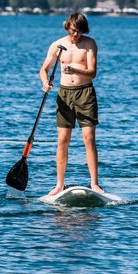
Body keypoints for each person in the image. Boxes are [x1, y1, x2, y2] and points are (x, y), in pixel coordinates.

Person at [40, 12, 102, 196]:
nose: (76, 35)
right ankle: (59, 184)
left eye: (80, 31)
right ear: (67, 27)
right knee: (62, 140)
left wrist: (74, 68)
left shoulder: (89, 44)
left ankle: (94, 184)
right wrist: (45, 83)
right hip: (64, 94)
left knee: (89, 138)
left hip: (85, 93)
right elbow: (44, 69)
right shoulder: (58, 45)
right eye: (73, 31)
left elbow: (92, 72)